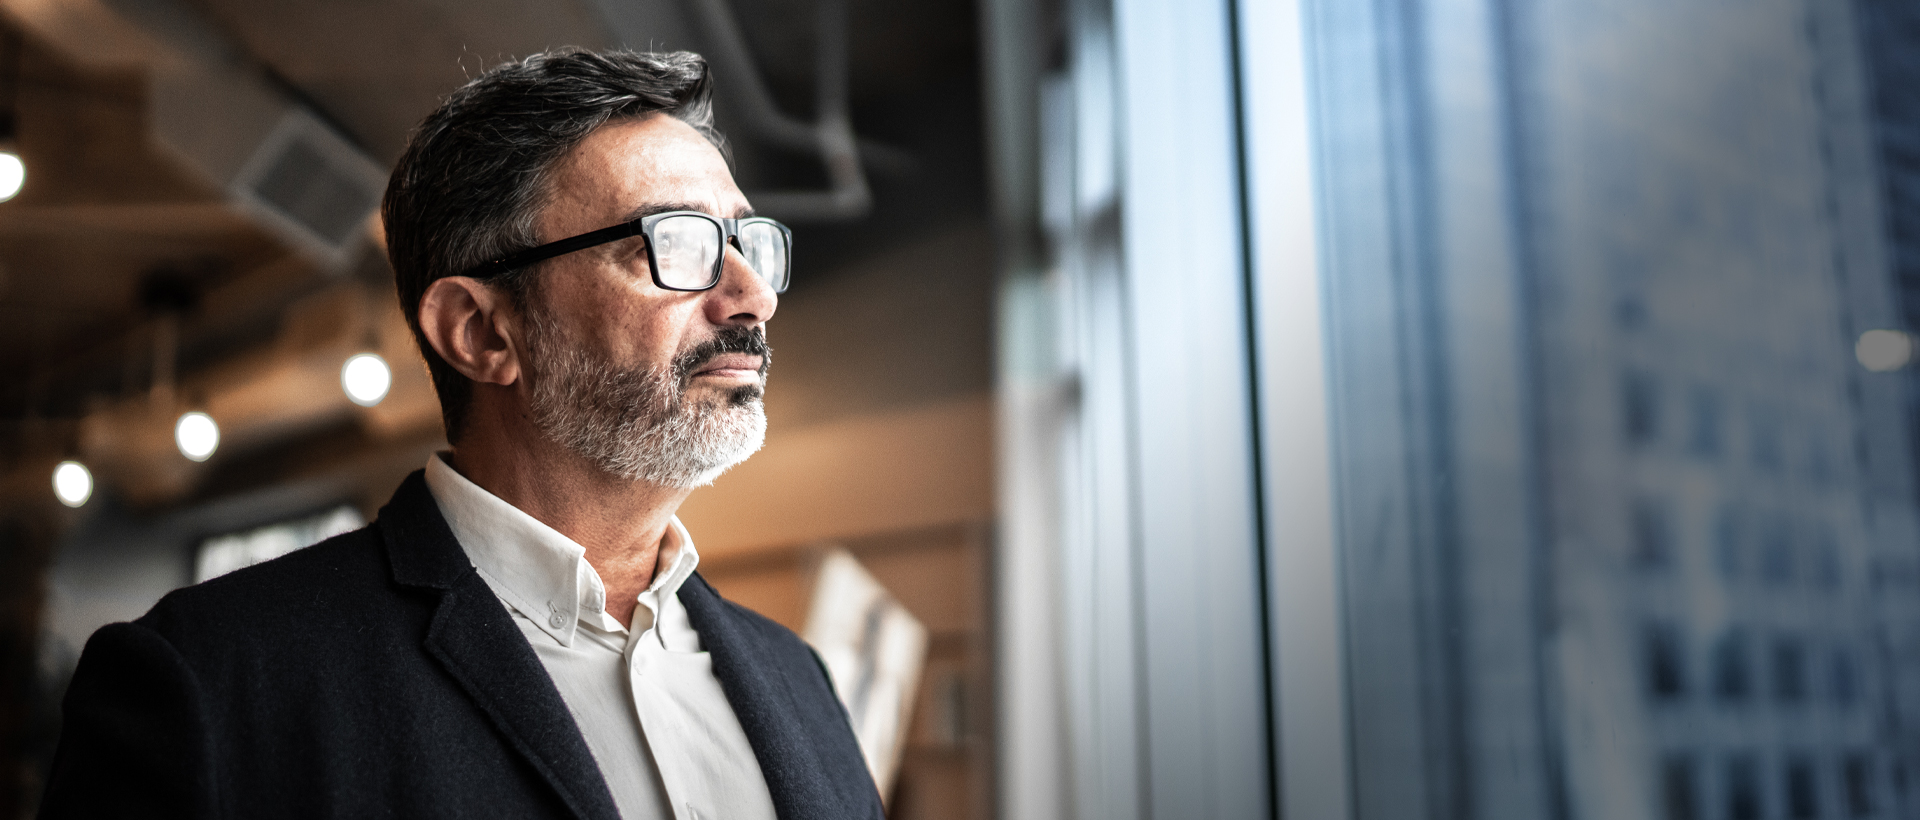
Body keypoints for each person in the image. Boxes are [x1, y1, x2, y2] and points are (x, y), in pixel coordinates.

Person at [39, 49, 882, 820]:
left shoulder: (798, 681)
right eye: (678, 243)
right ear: (482, 332)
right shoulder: (212, 686)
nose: (752, 296)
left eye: (744, 241)